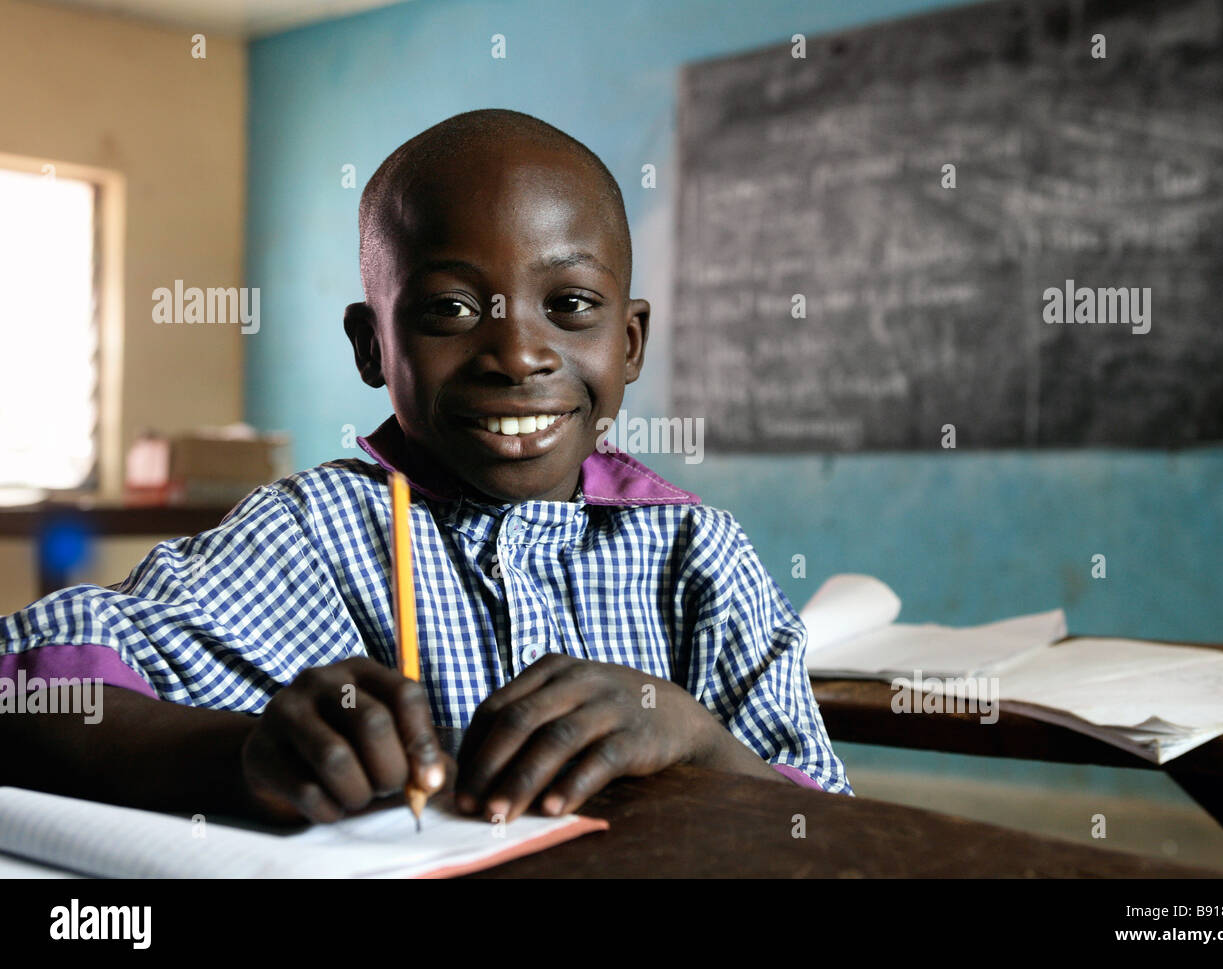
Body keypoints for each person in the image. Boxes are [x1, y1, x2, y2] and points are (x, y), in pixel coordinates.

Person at [0, 109, 851, 827]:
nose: (518, 354)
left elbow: (823, 816)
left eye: (570, 305)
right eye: (449, 309)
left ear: (628, 343)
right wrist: (240, 749)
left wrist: (696, 738)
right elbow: (28, 687)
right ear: (374, 346)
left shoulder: (696, 553)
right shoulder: (316, 534)